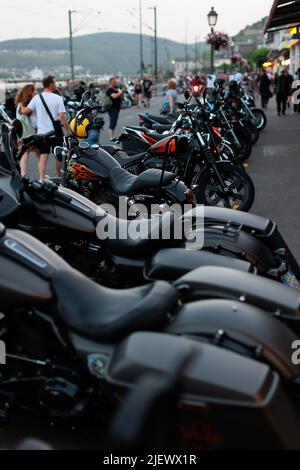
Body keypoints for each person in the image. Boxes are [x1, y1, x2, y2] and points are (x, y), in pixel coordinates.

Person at [20, 75, 69, 179]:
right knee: (59, 157)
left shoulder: (37, 98)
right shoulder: (58, 98)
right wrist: (68, 131)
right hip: (56, 132)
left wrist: (21, 102)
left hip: (42, 133)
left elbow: (24, 111)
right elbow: (62, 117)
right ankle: (61, 179)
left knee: (43, 156)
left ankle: (42, 179)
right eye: (54, 83)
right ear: (51, 84)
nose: (55, 85)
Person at [15, 84, 40, 177]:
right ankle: (42, 175)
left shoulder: (20, 104)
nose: (36, 93)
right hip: (31, 133)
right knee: (39, 153)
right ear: (29, 93)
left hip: (22, 134)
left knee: (24, 153)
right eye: (35, 91)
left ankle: (23, 174)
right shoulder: (30, 105)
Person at [106, 77, 126, 142]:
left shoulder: (115, 89)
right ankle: (111, 138)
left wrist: (122, 92)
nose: (116, 83)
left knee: (114, 122)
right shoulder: (109, 90)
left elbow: (121, 97)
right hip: (112, 108)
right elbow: (114, 96)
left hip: (116, 108)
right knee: (112, 122)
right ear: (111, 82)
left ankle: (113, 136)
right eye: (114, 82)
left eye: (116, 82)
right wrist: (121, 92)